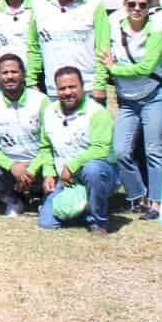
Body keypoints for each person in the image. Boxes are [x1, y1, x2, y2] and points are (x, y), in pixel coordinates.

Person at [98, 0, 162, 220]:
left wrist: (115, 68)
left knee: (154, 151)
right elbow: (103, 54)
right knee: (120, 150)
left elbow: (147, 67)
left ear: (149, 7)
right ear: (124, 5)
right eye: (132, 4)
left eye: (142, 5)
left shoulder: (155, 31)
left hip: (154, 96)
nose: (137, 8)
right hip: (127, 100)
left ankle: (156, 203)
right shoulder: (114, 29)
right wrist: (110, 69)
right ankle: (138, 195)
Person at [37, 67, 117, 236]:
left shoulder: (98, 113)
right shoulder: (49, 112)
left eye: (72, 87)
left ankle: (98, 221)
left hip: (98, 173)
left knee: (93, 169)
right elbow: (46, 147)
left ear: (82, 87)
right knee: (47, 223)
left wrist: (71, 167)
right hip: (65, 179)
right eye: (62, 88)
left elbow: (100, 149)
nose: (67, 92)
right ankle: (84, 209)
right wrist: (49, 173)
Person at [0, 53, 51, 216]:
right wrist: (12, 166)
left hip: (39, 166)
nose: (9, 76)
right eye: (5, 73)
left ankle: (46, 198)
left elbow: (51, 141)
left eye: (14, 72)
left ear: (23, 74)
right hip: (8, 168)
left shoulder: (42, 101)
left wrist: (33, 168)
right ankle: (14, 201)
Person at [30, 0, 109, 104]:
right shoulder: (38, 5)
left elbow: (103, 49)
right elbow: (33, 48)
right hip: (54, 90)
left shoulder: (94, 4)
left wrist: (100, 84)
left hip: (89, 88)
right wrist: (31, 81)